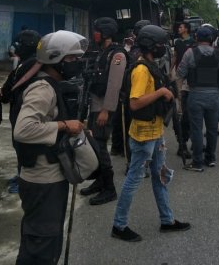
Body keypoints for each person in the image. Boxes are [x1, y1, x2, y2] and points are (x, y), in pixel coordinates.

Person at [13, 30, 87, 265]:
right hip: (42, 178)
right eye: (72, 59)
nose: (77, 63)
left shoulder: (52, 83)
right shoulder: (43, 88)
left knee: (48, 238)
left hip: (49, 175)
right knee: (41, 245)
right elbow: (24, 130)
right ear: (56, 59)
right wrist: (64, 125)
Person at [111, 25, 190, 242]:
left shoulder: (150, 65)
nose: (162, 48)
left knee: (160, 176)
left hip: (155, 133)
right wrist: (162, 92)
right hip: (143, 135)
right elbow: (135, 103)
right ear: (149, 45)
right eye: (159, 45)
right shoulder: (141, 70)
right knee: (134, 179)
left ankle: (167, 220)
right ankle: (119, 225)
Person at [80, 17, 127, 206]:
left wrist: (106, 110)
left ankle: (109, 189)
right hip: (95, 106)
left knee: (100, 146)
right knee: (93, 145)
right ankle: (99, 181)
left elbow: (114, 86)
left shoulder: (117, 56)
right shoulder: (102, 52)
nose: (94, 34)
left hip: (104, 109)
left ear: (105, 33)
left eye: (97, 31)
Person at [177, 26, 219, 171]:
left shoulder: (190, 53)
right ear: (211, 39)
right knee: (213, 129)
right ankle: (211, 158)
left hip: (195, 95)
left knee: (196, 129)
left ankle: (197, 162)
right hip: (213, 96)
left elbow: (180, 73)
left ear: (196, 38)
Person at [0, 29, 41, 193]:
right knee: (18, 145)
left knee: (25, 146)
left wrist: (6, 92)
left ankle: (26, 181)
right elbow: (11, 82)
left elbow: (17, 84)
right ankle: (21, 174)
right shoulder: (25, 62)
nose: (17, 47)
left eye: (20, 44)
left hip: (25, 111)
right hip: (17, 109)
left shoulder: (33, 64)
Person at [110, 19, 151, 157]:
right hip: (132, 92)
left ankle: (120, 147)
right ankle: (128, 151)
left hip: (127, 91)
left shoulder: (134, 49)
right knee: (127, 122)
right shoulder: (138, 52)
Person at [172, 21, 194, 159]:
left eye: (181, 27)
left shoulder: (193, 42)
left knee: (187, 94)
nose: (179, 29)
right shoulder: (177, 42)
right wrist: (170, 70)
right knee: (179, 94)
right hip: (180, 73)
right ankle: (181, 111)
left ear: (186, 29)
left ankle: (184, 111)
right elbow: (175, 56)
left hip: (190, 73)